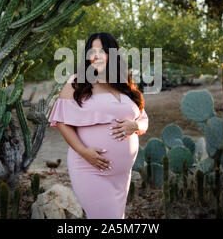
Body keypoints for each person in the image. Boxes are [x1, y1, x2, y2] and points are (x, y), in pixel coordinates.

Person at [47, 32, 149, 219]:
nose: (96, 56)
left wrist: (134, 126)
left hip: (122, 174)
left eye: (102, 51)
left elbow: (143, 119)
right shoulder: (77, 82)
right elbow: (61, 122)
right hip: (90, 167)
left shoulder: (124, 84)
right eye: (92, 51)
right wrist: (84, 152)